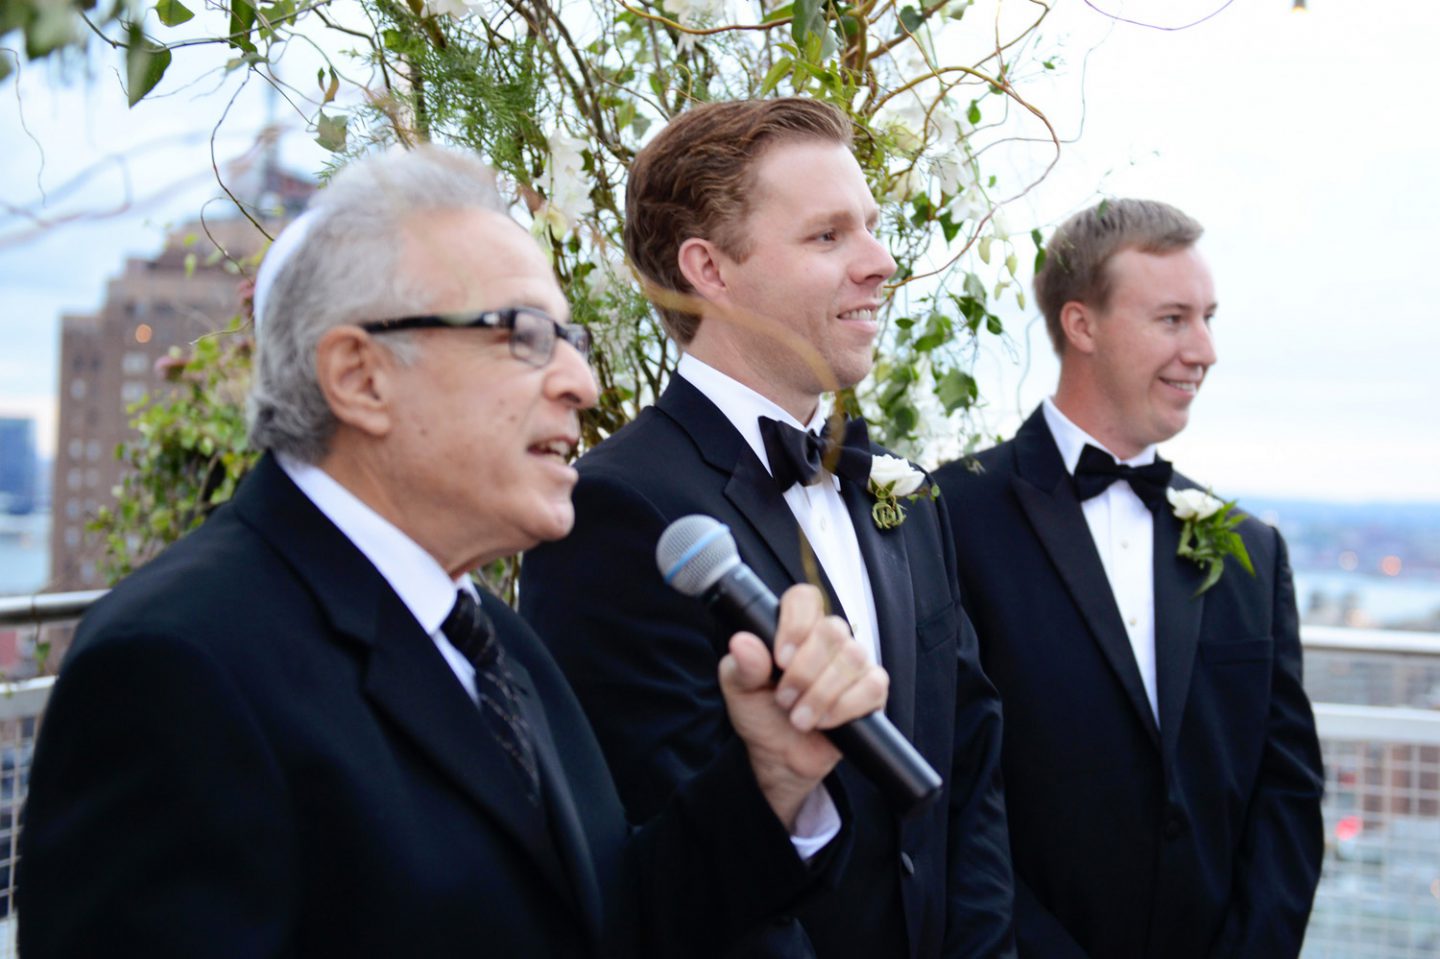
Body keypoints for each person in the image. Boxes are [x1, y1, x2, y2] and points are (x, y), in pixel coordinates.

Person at [17, 145, 893, 957]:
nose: (581, 384)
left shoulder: (499, 647)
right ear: (360, 377)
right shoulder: (177, 665)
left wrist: (771, 780)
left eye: (573, 341)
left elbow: (616, 924)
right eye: (522, 335)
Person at [520, 97, 1015, 958]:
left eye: (870, 226)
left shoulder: (903, 494)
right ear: (709, 269)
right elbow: (650, 848)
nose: (881, 261)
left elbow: (970, 776)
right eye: (829, 237)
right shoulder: (616, 512)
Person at [932, 198, 1325, 958]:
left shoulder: (1251, 549)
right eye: (1173, 319)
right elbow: (946, 784)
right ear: (1081, 326)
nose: (1205, 349)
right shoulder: (950, 516)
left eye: (1209, 317)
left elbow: (1287, 793)